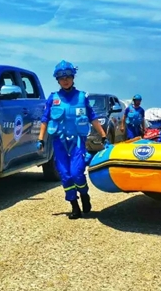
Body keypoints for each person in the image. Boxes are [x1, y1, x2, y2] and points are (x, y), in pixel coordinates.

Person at [38, 60, 109, 219]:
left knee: (76, 173)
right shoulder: (53, 98)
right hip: (59, 142)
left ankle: (84, 194)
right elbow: (45, 119)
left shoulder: (82, 97)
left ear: (73, 78)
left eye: (68, 77)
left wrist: (103, 135)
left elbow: (93, 117)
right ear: (57, 80)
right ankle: (74, 205)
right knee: (65, 174)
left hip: (77, 142)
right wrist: (40, 139)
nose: (65, 80)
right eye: (61, 77)